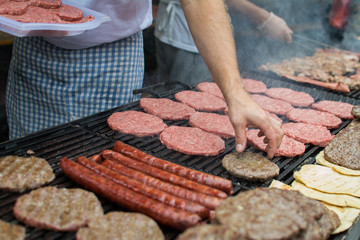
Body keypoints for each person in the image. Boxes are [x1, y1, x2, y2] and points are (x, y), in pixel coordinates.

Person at [6, 0, 283, 158]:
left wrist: (235, 94)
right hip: (34, 48)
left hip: (112, 54)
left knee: (105, 162)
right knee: (29, 161)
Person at [155, 0, 293, 86]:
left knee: (167, 99)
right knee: (188, 101)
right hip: (194, 43)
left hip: (166, 31)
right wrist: (264, 18)